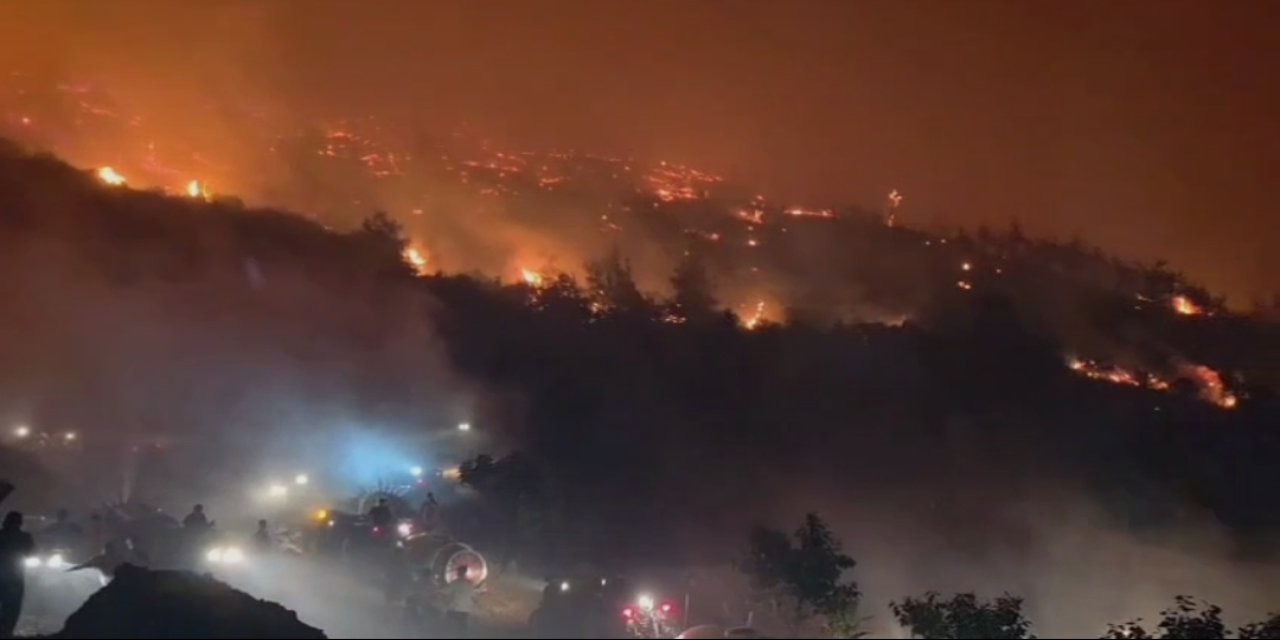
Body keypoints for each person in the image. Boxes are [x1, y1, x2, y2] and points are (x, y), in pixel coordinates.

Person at [0, 512, 35, 639]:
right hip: (15, 575)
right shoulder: (25, 537)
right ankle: (5, 631)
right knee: (12, 607)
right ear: (20, 523)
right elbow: (30, 553)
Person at [443, 565, 476, 637]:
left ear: (458, 572)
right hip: (465, 609)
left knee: (447, 628)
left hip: (454, 608)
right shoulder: (470, 584)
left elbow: (445, 592)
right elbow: (473, 596)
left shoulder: (454, 583)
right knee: (462, 630)